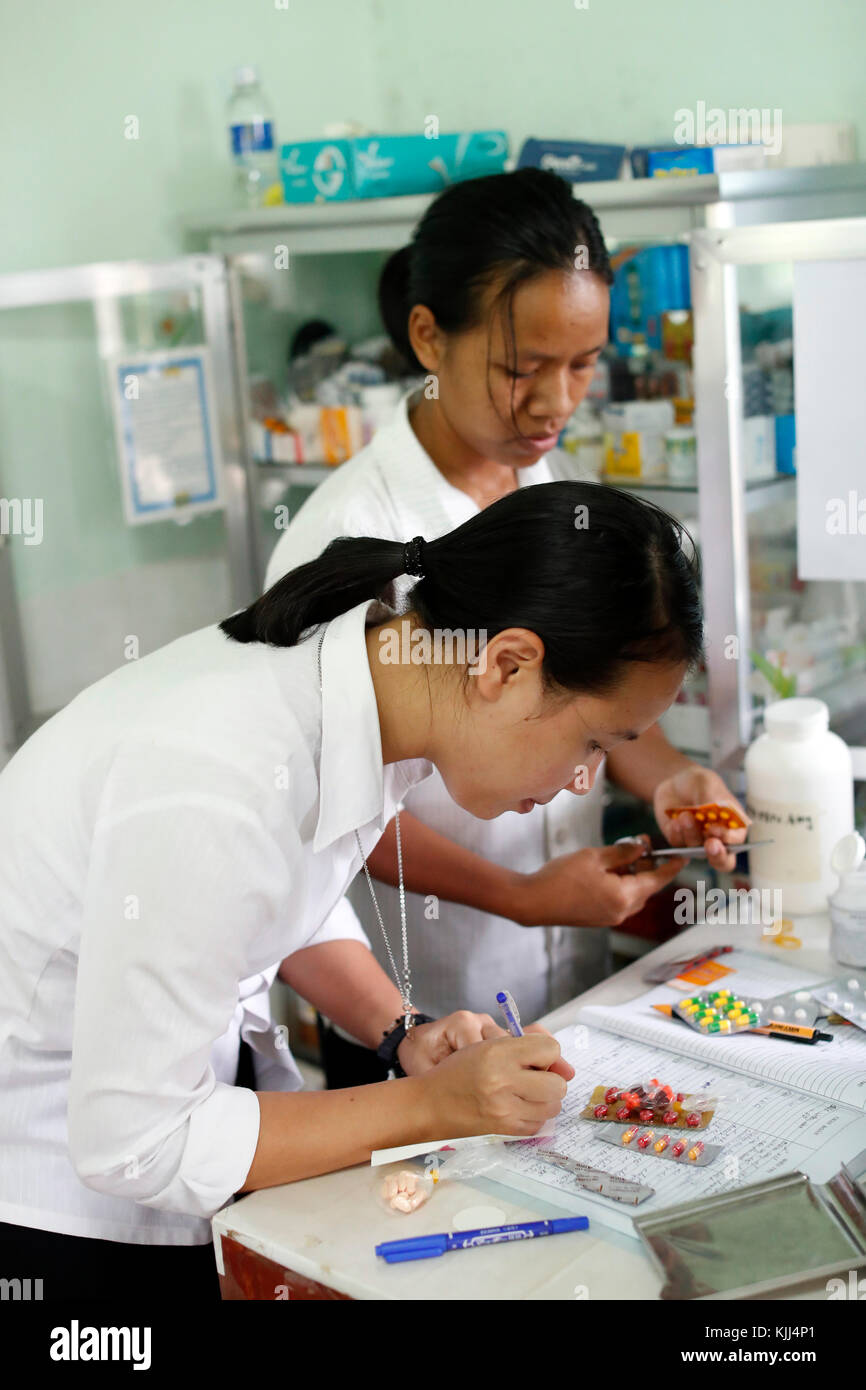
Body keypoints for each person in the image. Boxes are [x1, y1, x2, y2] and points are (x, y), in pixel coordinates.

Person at [0, 480, 709, 1300]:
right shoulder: (218, 778)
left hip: (177, 1106)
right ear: (507, 664)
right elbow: (135, 1141)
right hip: (56, 1187)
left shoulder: (380, 684)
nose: (586, 775)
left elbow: (283, 895)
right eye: (591, 740)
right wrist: (434, 1108)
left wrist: (402, 1033)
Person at [264, 169, 748, 1085]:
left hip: (560, 968)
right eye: (523, 368)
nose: (555, 401)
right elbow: (327, 807)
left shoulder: (541, 480)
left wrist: (670, 777)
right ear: (427, 337)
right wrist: (520, 897)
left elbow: (595, 679)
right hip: (416, 1006)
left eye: (584, 363)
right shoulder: (343, 539)